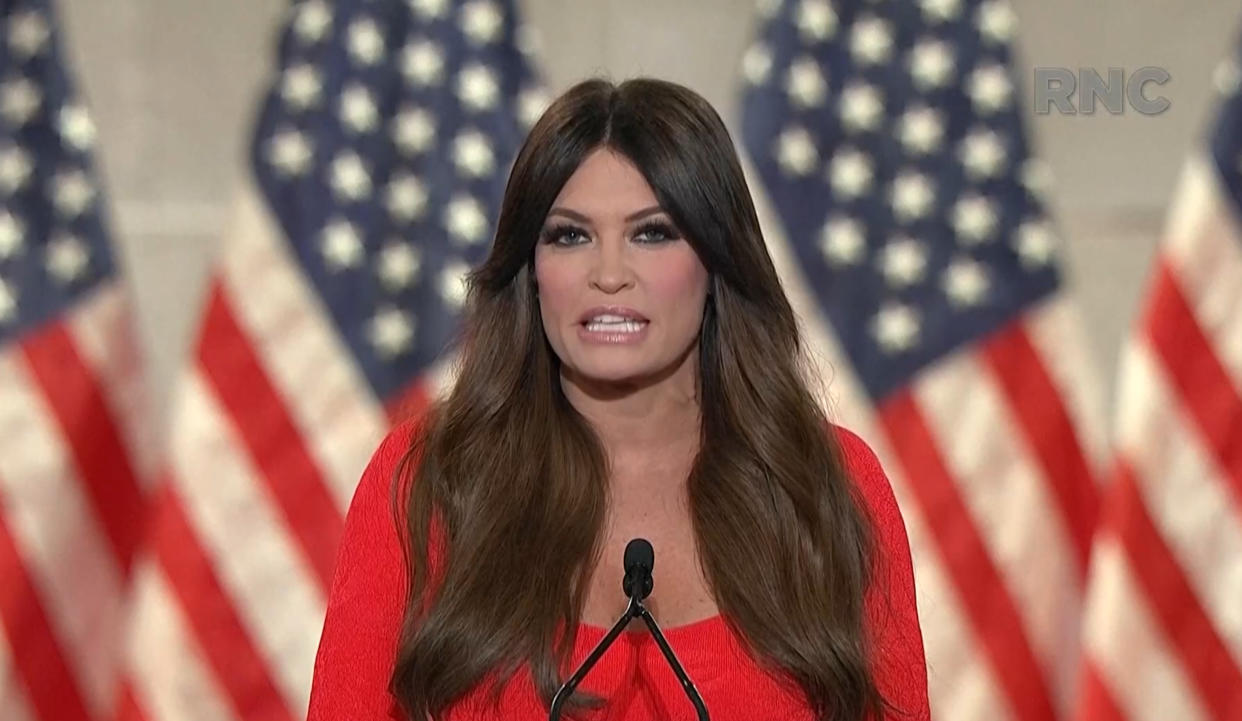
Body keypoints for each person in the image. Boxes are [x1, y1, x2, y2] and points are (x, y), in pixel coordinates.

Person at [305, 77, 930, 721]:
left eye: (652, 233)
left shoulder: (825, 481)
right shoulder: (430, 481)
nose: (608, 274)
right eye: (570, 236)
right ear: (531, 269)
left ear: (716, 263)